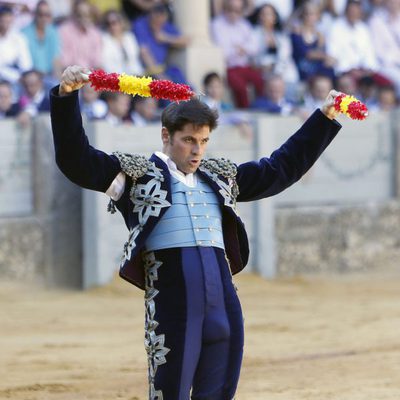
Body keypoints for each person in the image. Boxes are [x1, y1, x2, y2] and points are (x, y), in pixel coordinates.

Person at [50, 65, 343, 400]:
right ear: (166, 135)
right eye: (188, 140)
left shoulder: (219, 177)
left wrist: (323, 118)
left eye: (203, 141)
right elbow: (76, 160)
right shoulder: (136, 176)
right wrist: (65, 98)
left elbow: (280, 169)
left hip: (224, 306)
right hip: (174, 308)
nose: (196, 150)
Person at [211, 0, 264, 108]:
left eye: (237, 11)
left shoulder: (244, 24)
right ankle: (245, 112)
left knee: (259, 80)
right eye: (230, 10)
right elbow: (224, 51)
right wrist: (241, 49)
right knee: (240, 86)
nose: (233, 14)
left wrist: (242, 48)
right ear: (225, 9)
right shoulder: (216, 24)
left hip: (244, 66)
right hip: (229, 67)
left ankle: (260, 107)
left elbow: (255, 47)